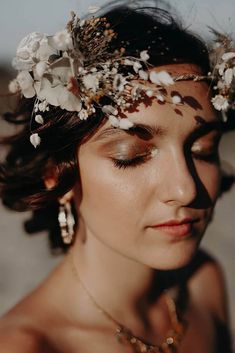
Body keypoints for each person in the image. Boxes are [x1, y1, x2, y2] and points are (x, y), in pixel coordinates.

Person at [0, 0, 234, 352]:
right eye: (132, 157)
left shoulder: (203, 285)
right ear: (55, 173)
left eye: (203, 150)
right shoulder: (26, 346)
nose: (185, 189)